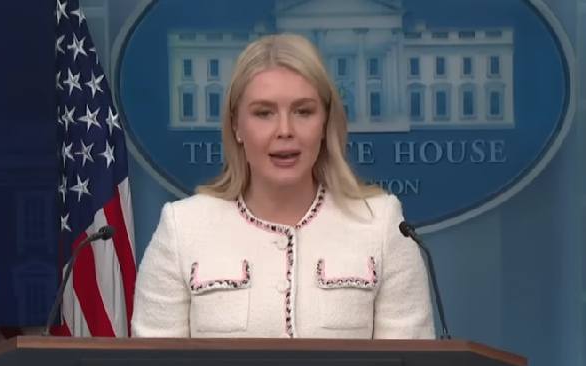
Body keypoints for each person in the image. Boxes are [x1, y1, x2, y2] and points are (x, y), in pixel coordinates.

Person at [131, 34, 434, 339]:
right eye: (264, 113)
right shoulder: (183, 227)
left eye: (303, 111)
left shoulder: (381, 224)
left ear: (325, 122)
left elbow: (410, 364)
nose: (285, 130)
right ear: (236, 125)